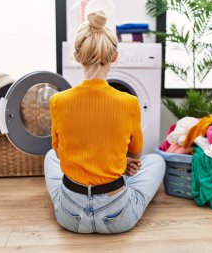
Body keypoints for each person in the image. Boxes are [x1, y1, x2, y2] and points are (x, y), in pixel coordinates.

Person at [44, 10, 166, 234]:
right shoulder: (129, 102)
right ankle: (115, 179)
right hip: (116, 214)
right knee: (157, 162)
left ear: (76, 55)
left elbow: (60, 153)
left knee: (50, 157)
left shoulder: (57, 101)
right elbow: (136, 155)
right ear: (114, 56)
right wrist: (121, 163)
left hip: (71, 215)